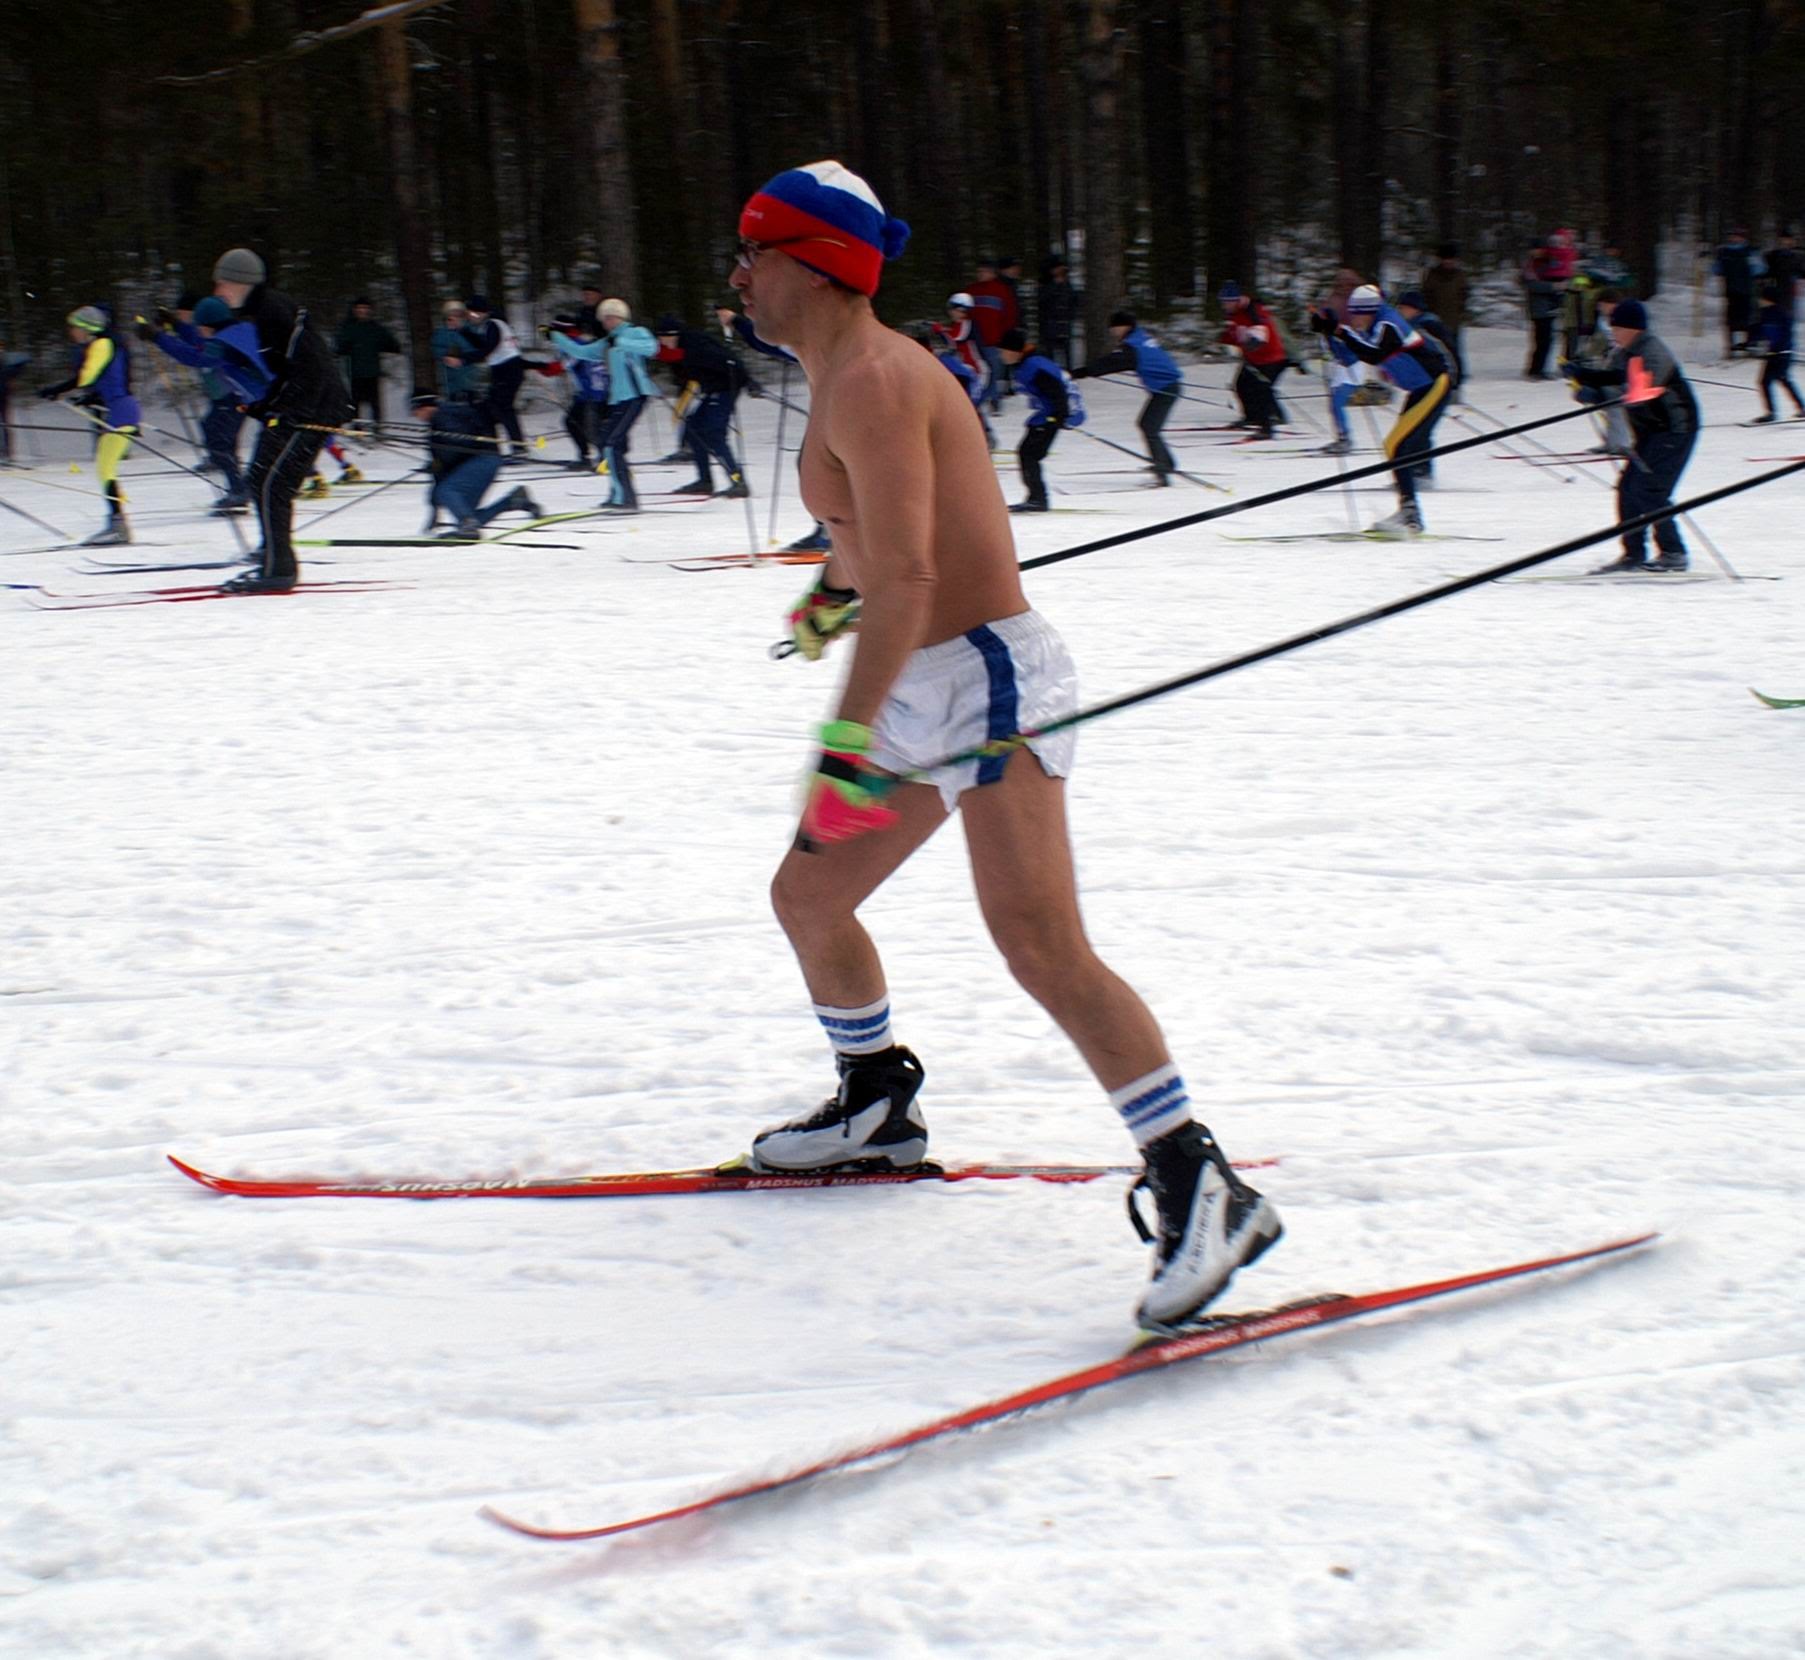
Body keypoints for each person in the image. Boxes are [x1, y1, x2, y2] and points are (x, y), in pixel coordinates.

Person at [729, 158, 1279, 1333]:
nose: (738, 275)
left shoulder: (877, 378)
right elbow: (873, 547)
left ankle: (1201, 1183)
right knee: (808, 897)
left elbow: (914, 576)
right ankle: (875, 1105)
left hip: (985, 680)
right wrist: (827, 594)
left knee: (1036, 939)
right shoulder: (835, 376)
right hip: (921, 682)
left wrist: (844, 733)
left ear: (811, 264)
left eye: (753, 253)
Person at [209, 246, 350, 593]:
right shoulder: (265, 310)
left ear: (239, 281)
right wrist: (265, 406)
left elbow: (310, 366)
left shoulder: (272, 310)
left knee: (273, 484)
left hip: (315, 409)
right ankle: (273, 558)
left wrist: (291, 412)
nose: (218, 291)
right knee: (260, 479)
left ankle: (278, 569)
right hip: (303, 406)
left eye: (221, 283)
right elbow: (288, 371)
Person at [1564, 299, 1698, 573]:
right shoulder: (1624, 352)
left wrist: (1598, 395)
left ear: (1634, 328)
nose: (1613, 333)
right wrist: (1583, 376)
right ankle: (1633, 553)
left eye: (1618, 328)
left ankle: (1674, 552)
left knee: (1649, 489)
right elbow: (1614, 377)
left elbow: (1640, 392)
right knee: (1627, 489)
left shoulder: (1653, 352)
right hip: (1650, 431)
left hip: (1675, 429)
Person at [1313, 283, 1451, 538]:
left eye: (1356, 314)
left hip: (1434, 384)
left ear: (1368, 311)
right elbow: (1350, 357)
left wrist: (1340, 332)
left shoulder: (1388, 323)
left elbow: (1375, 355)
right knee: (1396, 447)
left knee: (1396, 445)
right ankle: (1408, 509)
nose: (1354, 319)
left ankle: (1410, 512)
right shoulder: (1375, 325)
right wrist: (1329, 333)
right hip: (1419, 389)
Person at [140, 294, 271, 514]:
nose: (197, 329)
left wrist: (158, 337)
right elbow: (200, 341)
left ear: (210, 325)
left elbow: (194, 356)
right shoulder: (234, 332)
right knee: (216, 433)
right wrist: (176, 325)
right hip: (256, 399)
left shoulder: (223, 344)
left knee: (221, 439)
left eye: (200, 325)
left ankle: (242, 490)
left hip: (255, 399)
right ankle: (242, 485)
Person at [718, 299, 830, 551]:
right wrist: (737, 322)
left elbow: (770, 342)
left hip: (842, 411)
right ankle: (831, 530)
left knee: (819, 466)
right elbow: (770, 344)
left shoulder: (820, 338)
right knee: (813, 465)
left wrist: (737, 322)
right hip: (832, 412)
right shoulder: (813, 339)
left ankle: (833, 532)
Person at [38, 304, 141, 545]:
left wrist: (56, 390)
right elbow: (110, 379)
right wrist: (91, 398)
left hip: (121, 412)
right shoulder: (105, 343)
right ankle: (117, 524)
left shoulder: (101, 344)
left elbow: (87, 376)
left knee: (105, 469)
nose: (72, 332)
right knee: (105, 469)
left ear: (87, 328)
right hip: (121, 410)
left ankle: (118, 527)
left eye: (75, 328)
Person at [550, 297, 658, 512]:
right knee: (606, 444)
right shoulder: (608, 341)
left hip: (635, 395)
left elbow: (651, 348)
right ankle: (619, 494)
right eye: (604, 319)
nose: (607, 322)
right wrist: (557, 337)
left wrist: (622, 343)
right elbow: (583, 352)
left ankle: (625, 498)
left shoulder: (634, 332)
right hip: (619, 399)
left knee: (610, 444)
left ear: (620, 317)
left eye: (610, 318)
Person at [409, 387, 542, 539]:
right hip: (481, 461)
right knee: (469, 513)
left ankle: (468, 526)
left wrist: (440, 462)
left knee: (448, 492)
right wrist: (434, 509)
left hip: (482, 459)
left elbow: (458, 444)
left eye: (416, 411)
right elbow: (442, 470)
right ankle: (513, 501)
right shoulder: (438, 423)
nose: (415, 416)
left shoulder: (446, 415)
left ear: (425, 407)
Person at [1069, 308, 1181, 483]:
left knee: (1149, 427)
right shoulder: (1141, 337)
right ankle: (1166, 463)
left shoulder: (1132, 346)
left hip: (1165, 389)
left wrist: (1080, 372)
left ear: (1124, 327)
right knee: (1148, 425)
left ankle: (1163, 468)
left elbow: (1111, 363)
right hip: (1167, 386)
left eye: (1114, 328)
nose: (1113, 332)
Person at [654, 312, 750, 497]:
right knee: (693, 429)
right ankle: (705, 481)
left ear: (673, 335)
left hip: (726, 388)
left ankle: (738, 481)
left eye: (663, 338)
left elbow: (728, 360)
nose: (661, 342)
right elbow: (688, 375)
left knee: (714, 433)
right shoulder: (682, 349)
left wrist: (747, 381)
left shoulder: (696, 344)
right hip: (714, 389)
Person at [996, 326, 1083, 512]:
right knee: (1028, 453)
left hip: (1052, 416)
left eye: (1003, 351)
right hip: (1047, 415)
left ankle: (1038, 499)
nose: (1001, 355)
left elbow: (1057, 392)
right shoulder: (1030, 363)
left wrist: (1058, 417)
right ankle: (1036, 498)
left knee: (1029, 454)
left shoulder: (1034, 367)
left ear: (1014, 351)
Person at [1216, 282, 1290, 439]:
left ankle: (1267, 427)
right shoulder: (1234, 313)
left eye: (1227, 302)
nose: (1224, 306)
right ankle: (1252, 417)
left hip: (1271, 358)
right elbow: (1236, 332)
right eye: (1223, 302)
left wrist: (1250, 345)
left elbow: (1261, 334)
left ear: (1236, 300)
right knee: (1241, 385)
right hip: (1253, 358)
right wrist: (1225, 340)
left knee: (1260, 390)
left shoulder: (1253, 310)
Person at [537, 309, 608, 470]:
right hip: (589, 393)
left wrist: (535, 366)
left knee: (585, 425)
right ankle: (592, 456)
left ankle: (600, 458)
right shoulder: (574, 342)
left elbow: (561, 366)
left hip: (595, 393)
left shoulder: (575, 345)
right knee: (577, 423)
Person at [1568, 289, 1634, 456]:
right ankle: (1613, 441)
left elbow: (1623, 350)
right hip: (1614, 366)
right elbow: (1599, 343)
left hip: (1630, 373)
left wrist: (1587, 374)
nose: (1600, 309)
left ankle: (1621, 444)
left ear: (1611, 303)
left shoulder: (1626, 319)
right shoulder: (1605, 320)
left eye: (1602, 305)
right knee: (1608, 397)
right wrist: (1581, 361)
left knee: (1615, 399)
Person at [460, 294, 527, 454]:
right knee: (489, 408)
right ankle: (494, 446)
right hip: (505, 371)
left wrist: (464, 359)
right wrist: (464, 332)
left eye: (472, 313)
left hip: (508, 370)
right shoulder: (492, 324)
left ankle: (518, 447)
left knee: (503, 408)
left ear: (480, 312)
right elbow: (484, 345)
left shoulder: (494, 324)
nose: (471, 317)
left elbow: (488, 349)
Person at [333, 297, 402, 430]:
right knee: (356, 403)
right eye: (359, 308)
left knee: (375, 403)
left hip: (372, 371)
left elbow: (391, 344)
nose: (362, 311)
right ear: (354, 310)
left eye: (365, 308)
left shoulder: (375, 328)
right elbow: (340, 348)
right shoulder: (349, 328)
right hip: (356, 372)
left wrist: (390, 347)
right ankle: (357, 428)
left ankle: (377, 428)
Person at [1750, 285, 1805, 424]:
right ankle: (1772, 412)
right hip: (1773, 353)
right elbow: (1760, 331)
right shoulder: (1764, 313)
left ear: (1767, 299)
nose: (1759, 300)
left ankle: (1798, 408)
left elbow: (1787, 335)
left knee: (1782, 379)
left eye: (1761, 298)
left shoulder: (1782, 314)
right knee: (1766, 381)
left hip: (1783, 353)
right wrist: (1749, 343)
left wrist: (1780, 350)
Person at [968, 258, 1018, 410]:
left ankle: (993, 399)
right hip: (975, 339)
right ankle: (981, 399)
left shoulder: (1001, 291)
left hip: (995, 339)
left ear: (992, 273)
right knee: (981, 371)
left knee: (995, 371)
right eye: (979, 271)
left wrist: (1005, 336)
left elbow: (1009, 315)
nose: (981, 274)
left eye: (985, 271)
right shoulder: (972, 290)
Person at [1420, 244, 1470, 388]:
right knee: (1437, 349)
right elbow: (1426, 295)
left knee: (1455, 348)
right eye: (1446, 259)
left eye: (1451, 259)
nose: (1448, 262)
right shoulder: (1432, 275)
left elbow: (1464, 294)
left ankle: (1458, 375)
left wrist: (1461, 309)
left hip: (1454, 318)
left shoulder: (1460, 275)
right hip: (1436, 319)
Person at [1520, 241, 1566, 379]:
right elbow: (1532, 286)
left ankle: (1540, 368)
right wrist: (1554, 286)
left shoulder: (1548, 263)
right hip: (1538, 309)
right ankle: (1535, 370)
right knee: (1541, 340)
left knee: (1547, 341)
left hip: (1549, 307)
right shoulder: (1530, 266)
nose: (1536, 252)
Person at [1713, 228, 1762, 356]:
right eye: (1733, 236)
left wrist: (1753, 267)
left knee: (1749, 319)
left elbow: (1759, 269)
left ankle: (1749, 344)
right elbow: (1716, 269)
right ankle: (1730, 346)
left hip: (1747, 290)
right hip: (1731, 291)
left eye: (1738, 236)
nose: (1735, 239)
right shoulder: (1724, 252)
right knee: (1731, 320)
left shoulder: (1750, 251)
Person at [431, 300, 478, 400]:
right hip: (450, 379)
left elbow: (476, 349)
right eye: (451, 316)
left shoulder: (469, 331)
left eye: (458, 315)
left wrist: (465, 357)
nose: (455, 319)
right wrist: (445, 357)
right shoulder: (442, 333)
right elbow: (436, 348)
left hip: (469, 374)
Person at [1036, 255, 1076, 368]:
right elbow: (1042, 301)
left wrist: (1070, 316)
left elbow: (1073, 301)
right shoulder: (1045, 284)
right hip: (1049, 328)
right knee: (1050, 357)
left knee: (1066, 359)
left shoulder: (1066, 284)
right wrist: (1055, 284)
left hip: (1064, 327)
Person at [0, 340, 27, 464]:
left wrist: (14, 378)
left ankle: (7, 453)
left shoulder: (6, 361)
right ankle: (5, 452)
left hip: (4, 396)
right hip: (4, 394)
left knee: (5, 424)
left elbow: (22, 362)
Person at [1762, 228, 1801, 308]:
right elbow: (1766, 273)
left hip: (1789, 293)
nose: (1786, 242)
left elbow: (1800, 274)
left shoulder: (1797, 257)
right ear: (1780, 240)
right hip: (1773, 291)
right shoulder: (1772, 255)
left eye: (1788, 239)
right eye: (1783, 239)